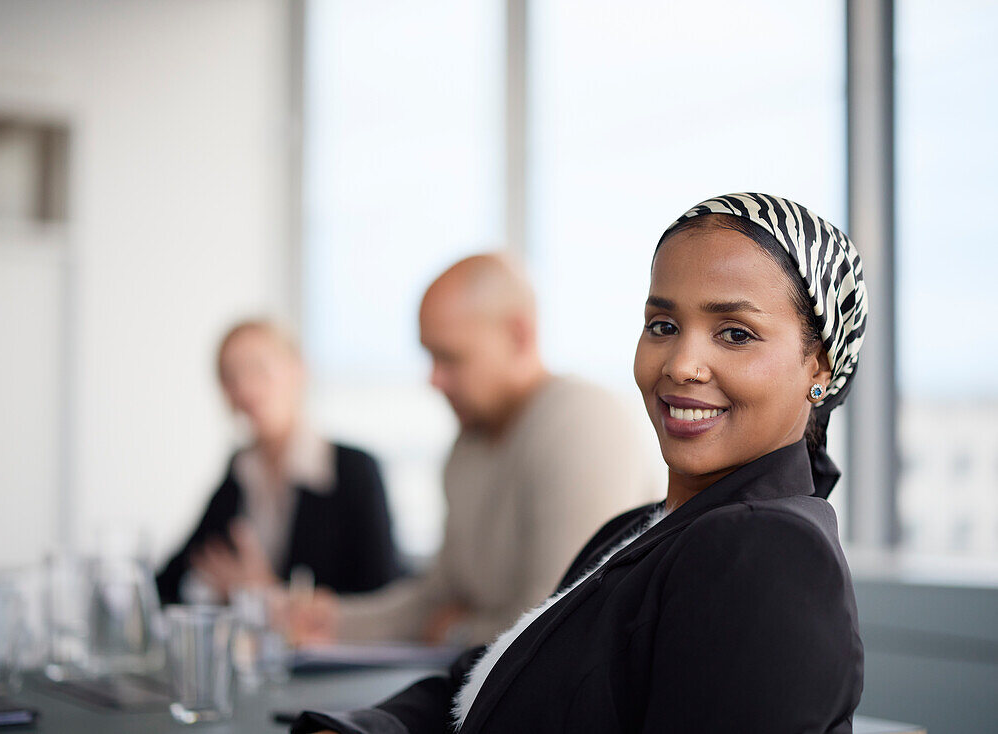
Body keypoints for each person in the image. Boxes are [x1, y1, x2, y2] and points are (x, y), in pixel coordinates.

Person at [292, 193, 867, 733]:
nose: (682, 365)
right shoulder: (637, 531)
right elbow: (488, 676)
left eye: (735, 333)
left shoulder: (769, 552)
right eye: (663, 326)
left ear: (818, 367)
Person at [292, 254, 659, 647]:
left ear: (519, 335)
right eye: (430, 357)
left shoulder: (584, 422)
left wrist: (456, 630)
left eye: (449, 357)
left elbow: (559, 622)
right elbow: (436, 598)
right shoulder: (467, 447)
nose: (433, 380)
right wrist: (333, 621)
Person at [155, 319, 402, 604]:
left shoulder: (352, 470)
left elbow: (383, 599)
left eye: (258, 369)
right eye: (230, 376)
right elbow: (170, 579)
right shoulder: (241, 470)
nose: (244, 388)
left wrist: (267, 595)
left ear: (299, 369)